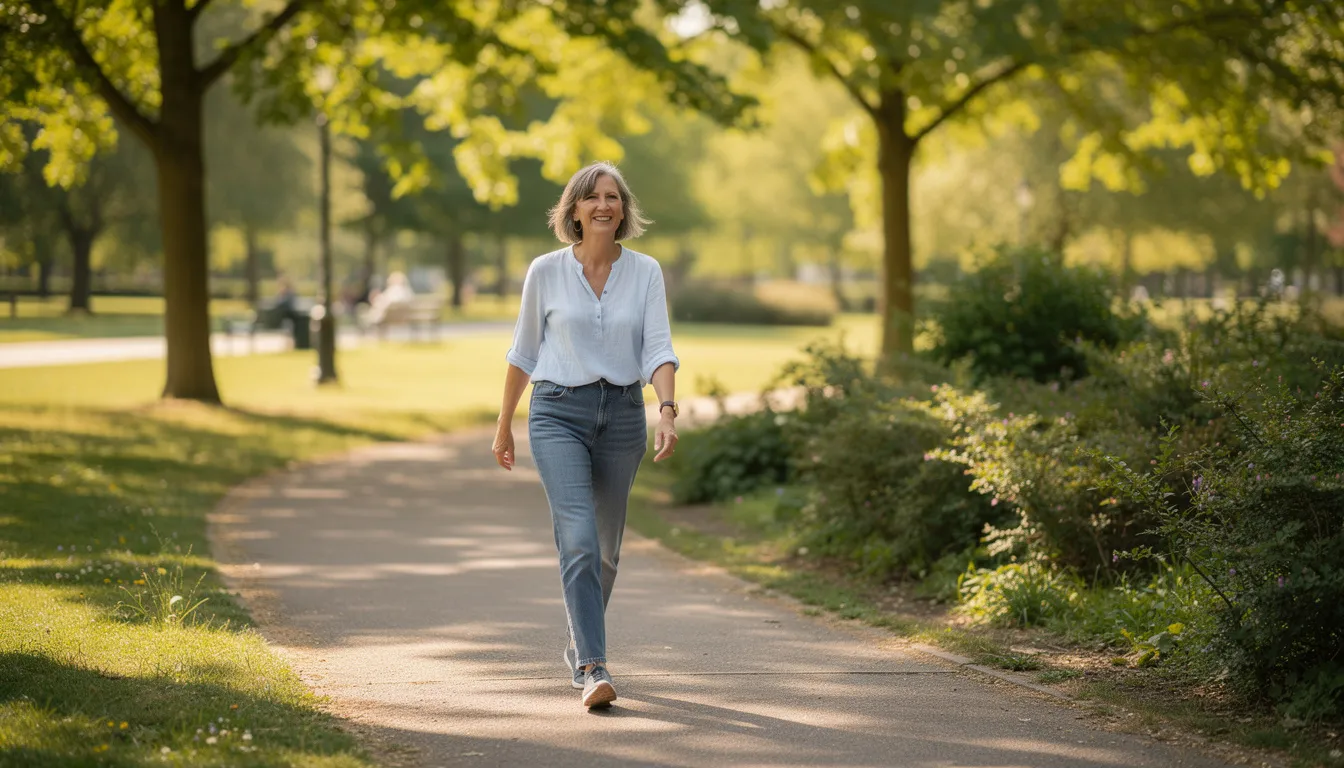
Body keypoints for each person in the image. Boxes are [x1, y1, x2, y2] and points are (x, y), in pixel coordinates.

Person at [492, 161, 680, 709]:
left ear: (624, 209)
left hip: (622, 417)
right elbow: (523, 352)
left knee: (605, 552)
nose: (604, 205)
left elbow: (658, 349)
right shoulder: (545, 271)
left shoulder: (645, 272)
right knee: (576, 538)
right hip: (556, 413)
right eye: (593, 197)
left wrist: (666, 410)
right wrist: (505, 423)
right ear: (573, 209)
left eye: (613, 197)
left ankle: (579, 644)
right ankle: (594, 667)